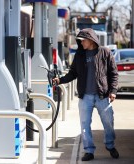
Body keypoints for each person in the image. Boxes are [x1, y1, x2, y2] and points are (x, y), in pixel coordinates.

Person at [53, 28, 119, 161]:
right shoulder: (79, 55)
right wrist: (60, 80)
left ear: (90, 40)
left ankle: (110, 145)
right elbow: (73, 73)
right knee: (84, 125)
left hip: (103, 95)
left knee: (109, 122)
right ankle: (89, 151)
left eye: (82, 40)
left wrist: (113, 91)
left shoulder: (105, 52)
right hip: (85, 97)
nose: (81, 43)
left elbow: (113, 73)